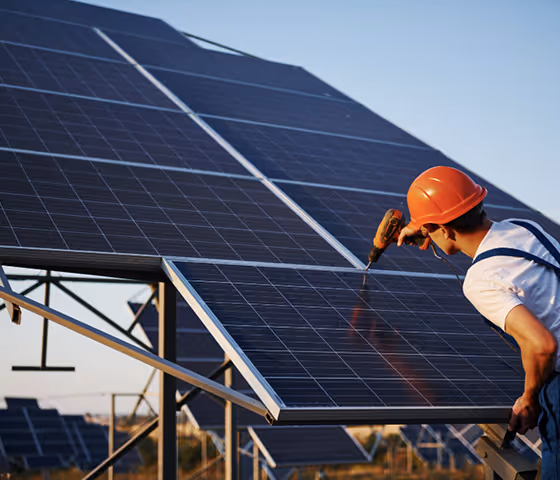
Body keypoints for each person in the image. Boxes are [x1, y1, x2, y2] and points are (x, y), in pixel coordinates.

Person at [397, 166, 559, 478]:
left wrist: (529, 399)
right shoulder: (525, 228)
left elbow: (542, 345)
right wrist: (430, 226)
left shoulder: (480, 280)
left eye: (431, 230)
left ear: (443, 229)